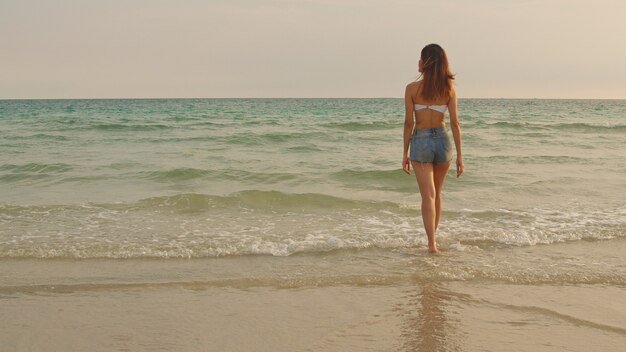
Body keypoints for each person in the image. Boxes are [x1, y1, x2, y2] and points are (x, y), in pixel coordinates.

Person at [402, 43, 463, 253]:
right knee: (437, 194)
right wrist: (460, 157)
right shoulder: (448, 90)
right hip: (442, 140)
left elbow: (408, 123)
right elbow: (455, 123)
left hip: (420, 140)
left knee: (427, 195)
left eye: (420, 58)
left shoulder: (411, 89)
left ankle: (431, 244)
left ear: (426, 62)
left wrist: (404, 152)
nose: (418, 62)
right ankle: (433, 241)